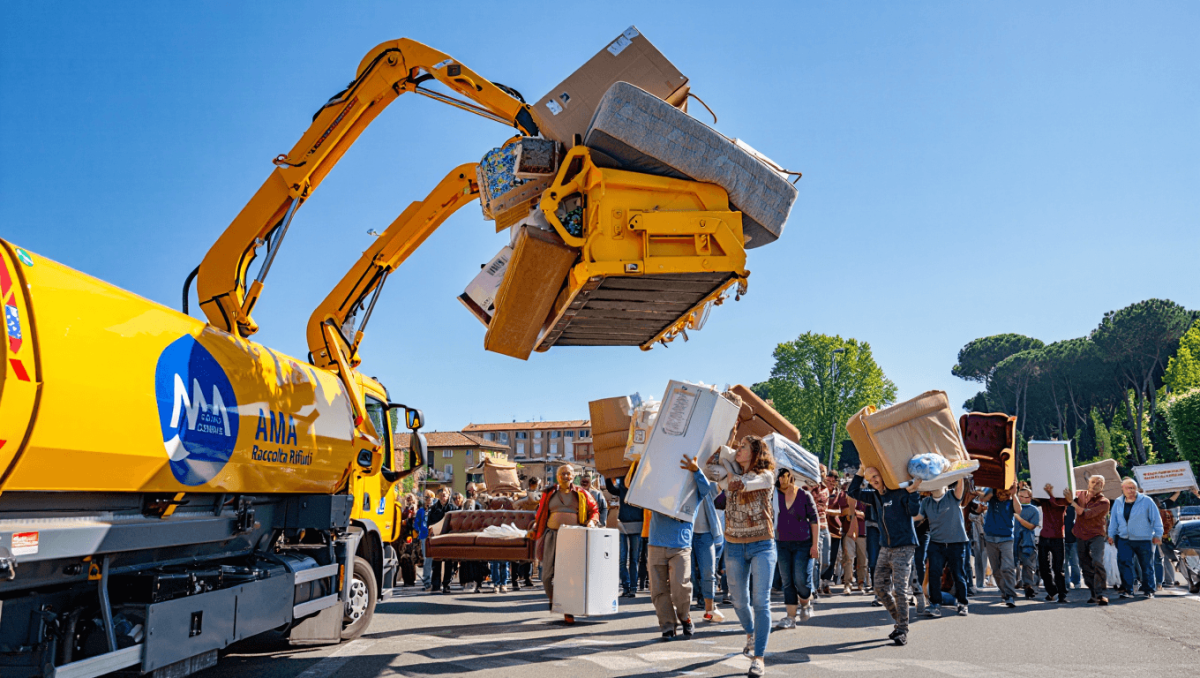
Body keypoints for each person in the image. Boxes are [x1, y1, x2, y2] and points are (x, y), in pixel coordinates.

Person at [705, 435, 777, 678]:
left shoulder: (766, 476)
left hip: (762, 545)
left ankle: (758, 657)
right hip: (734, 544)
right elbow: (711, 473)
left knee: (761, 601)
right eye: (738, 446)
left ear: (755, 452)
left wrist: (727, 468)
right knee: (738, 600)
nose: (738, 449)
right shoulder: (731, 474)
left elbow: (741, 484)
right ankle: (750, 632)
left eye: (743, 447)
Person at [847, 465, 921, 646]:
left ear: (884, 475)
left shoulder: (899, 492)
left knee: (900, 590)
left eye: (876, 476)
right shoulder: (873, 495)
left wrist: (913, 492)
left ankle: (902, 630)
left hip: (904, 545)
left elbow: (913, 511)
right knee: (879, 588)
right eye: (870, 479)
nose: (874, 481)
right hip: (885, 547)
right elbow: (853, 491)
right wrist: (860, 470)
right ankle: (900, 621)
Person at [648, 454, 713, 640]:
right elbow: (635, 487)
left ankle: (685, 617)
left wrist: (695, 470)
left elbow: (706, 488)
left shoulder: (693, 491)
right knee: (658, 590)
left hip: (680, 546)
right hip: (656, 544)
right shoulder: (657, 488)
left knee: (681, 588)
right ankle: (667, 625)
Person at [530, 464, 600, 623]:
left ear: (573, 476)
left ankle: (567, 609)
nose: (565, 476)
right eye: (562, 474)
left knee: (571, 577)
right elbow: (540, 514)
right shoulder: (549, 493)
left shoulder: (582, 493)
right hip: (551, 536)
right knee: (547, 576)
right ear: (557, 476)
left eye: (568, 473)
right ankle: (555, 599)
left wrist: (592, 521)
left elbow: (594, 510)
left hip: (574, 538)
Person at [772, 468, 819, 629]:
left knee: (801, 580)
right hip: (782, 543)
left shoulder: (805, 495)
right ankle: (790, 617)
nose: (783, 480)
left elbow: (814, 520)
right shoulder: (774, 495)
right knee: (787, 581)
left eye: (786, 476)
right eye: (780, 477)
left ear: (792, 477)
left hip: (803, 543)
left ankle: (806, 601)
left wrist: (815, 545)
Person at [919, 478, 970, 617]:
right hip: (936, 543)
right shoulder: (926, 502)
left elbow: (960, 484)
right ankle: (935, 605)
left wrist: (958, 472)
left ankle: (962, 603)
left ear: (945, 484)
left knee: (958, 574)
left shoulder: (952, 495)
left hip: (956, 542)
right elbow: (917, 516)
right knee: (934, 574)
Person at [1108, 477, 1164, 598]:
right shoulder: (1118, 502)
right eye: (1128, 488)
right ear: (1123, 489)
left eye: (1133, 488)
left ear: (1137, 489)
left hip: (1143, 539)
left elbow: (1156, 520)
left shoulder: (1147, 501)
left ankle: (1149, 590)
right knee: (1124, 563)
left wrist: (1158, 535)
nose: (1131, 490)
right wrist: (1111, 535)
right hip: (1124, 539)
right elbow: (1114, 521)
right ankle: (1128, 590)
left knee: (1146, 565)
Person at [1066, 475, 1112, 605]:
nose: (1095, 484)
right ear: (1088, 483)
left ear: (1102, 486)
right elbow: (1064, 496)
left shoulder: (1104, 501)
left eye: (1099, 483)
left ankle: (1102, 593)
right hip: (1080, 535)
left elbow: (1087, 514)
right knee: (1085, 566)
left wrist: (1073, 503)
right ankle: (1094, 593)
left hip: (1096, 535)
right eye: (1093, 482)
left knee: (1097, 561)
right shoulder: (1078, 494)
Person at [690, 462, 725, 623]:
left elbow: (724, 478)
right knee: (686, 574)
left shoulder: (709, 485)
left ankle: (709, 609)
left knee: (708, 573)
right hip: (687, 533)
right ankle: (686, 610)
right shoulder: (683, 483)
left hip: (705, 535)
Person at [980, 481, 1022, 607]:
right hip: (990, 538)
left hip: (1006, 538)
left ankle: (1010, 594)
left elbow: (1019, 510)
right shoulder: (992, 499)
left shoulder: (1011, 501)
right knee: (996, 569)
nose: (1002, 495)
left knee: (1008, 567)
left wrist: (1014, 494)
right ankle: (1004, 592)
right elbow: (983, 498)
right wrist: (995, 487)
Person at [605, 472, 645, 599]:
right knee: (624, 560)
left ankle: (632, 588)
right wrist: (607, 475)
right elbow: (611, 488)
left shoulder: (640, 489)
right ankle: (627, 587)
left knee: (632, 559)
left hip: (636, 526)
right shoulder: (623, 488)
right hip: (624, 525)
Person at [1036, 484, 1070, 603]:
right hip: (1044, 537)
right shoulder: (1044, 500)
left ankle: (1062, 594)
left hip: (1058, 538)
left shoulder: (1062, 500)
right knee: (1043, 568)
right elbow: (1034, 497)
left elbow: (1057, 504)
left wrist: (1051, 493)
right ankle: (1051, 591)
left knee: (1058, 569)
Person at [834, 480, 868, 594]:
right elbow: (842, 511)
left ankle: (861, 583)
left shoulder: (863, 496)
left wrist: (853, 512)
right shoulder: (844, 496)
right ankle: (847, 584)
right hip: (848, 532)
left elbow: (865, 514)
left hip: (862, 533)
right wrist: (852, 513)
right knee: (848, 559)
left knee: (862, 559)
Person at [514, 477, 542, 589]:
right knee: (523, 553)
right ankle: (522, 578)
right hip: (525, 526)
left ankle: (526, 577)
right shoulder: (527, 497)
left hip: (532, 526)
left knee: (530, 554)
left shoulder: (537, 498)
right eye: (536, 485)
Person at [1013, 486, 1041, 599]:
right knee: (1010, 565)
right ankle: (1009, 588)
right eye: (1019, 496)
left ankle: (1028, 586)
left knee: (1028, 565)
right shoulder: (1011, 507)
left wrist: (1018, 518)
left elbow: (1031, 526)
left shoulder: (1033, 510)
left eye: (1024, 497)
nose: (1020, 498)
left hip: (1027, 541)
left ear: (1029, 498)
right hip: (1012, 540)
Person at [428, 488, 457, 594]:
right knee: (436, 562)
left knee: (449, 563)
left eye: (445, 494)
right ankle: (435, 585)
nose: (443, 496)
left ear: (448, 495)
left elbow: (456, 524)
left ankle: (446, 585)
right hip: (437, 538)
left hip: (449, 538)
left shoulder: (453, 508)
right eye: (441, 495)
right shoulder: (433, 509)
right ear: (438, 496)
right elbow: (429, 523)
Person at [810, 465, 833, 597]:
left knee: (826, 561)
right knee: (815, 560)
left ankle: (817, 582)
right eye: (819, 471)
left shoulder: (826, 491)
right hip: (814, 526)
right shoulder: (810, 488)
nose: (821, 473)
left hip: (825, 526)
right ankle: (814, 587)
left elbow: (826, 508)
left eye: (823, 472)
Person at [419, 490, 433, 590]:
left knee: (434, 559)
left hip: (433, 536)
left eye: (429, 497)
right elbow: (417, 523)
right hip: (424, 537)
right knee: (427, 559)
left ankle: (435, 580)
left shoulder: (435, 509)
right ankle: (427, 580)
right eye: (426, 497)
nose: (428, 499)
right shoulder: (421, 511)